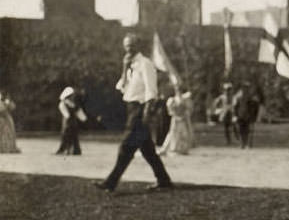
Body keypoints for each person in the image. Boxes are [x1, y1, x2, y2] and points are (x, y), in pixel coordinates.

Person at [94, 33, 173, 193]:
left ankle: (111, 182)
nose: (128, 49)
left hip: (140, 110)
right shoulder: (130, 65)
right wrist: (124, 68)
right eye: (126, 46)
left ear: (138, 46)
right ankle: (164, 180)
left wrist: (147, 112)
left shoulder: (145, 64)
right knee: (147, 150)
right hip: (130, 108)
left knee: (125, 147)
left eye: (131, 45)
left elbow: (151, 90)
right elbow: (122, 88)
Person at [158, 84, 194, 155]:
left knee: (184, 134)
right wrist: (175, 115)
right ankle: (165, 149)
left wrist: (185, 115)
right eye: (177, 90)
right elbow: (170, 110)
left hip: (183, 119)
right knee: (172, 134)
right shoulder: (173, 99)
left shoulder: (184, 99)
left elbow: (188, 109)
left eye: (179, 90)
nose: (178, 91)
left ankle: (183, 149)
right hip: (175, 119)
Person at [55, 86, 87, 155]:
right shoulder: (63, 104)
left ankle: (75, 151)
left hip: (73, 123)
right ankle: (66, 150)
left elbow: (80, 115)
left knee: (74, 137)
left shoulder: (73, 104)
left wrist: (83, 117)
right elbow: (67, 115)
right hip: (67, 123)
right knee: (66, 137)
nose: (72, 97)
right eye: (71, 95)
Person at [232, 81, 260, 149]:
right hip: (240, 115)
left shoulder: (252, 97)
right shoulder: (238, 96)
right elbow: (235, 106)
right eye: (244, 87)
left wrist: (255, 115)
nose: (245, 89)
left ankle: (248, 144)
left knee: (248, 130)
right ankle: (242, 144)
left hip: (249, 116)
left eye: (247, 87)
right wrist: (235, 115)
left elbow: (256, 107)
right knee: (241, 130)